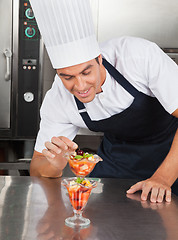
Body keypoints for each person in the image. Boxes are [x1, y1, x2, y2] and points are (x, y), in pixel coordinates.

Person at [29, 0, 178, 203]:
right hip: (118, 162)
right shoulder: (58, 100)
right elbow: (37, 166)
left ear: (99, 58)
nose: (80, 86)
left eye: (86, 72)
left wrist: (162, 178)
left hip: (172, 155)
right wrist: (54, 165)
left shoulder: (137, 56)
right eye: (67, 77)